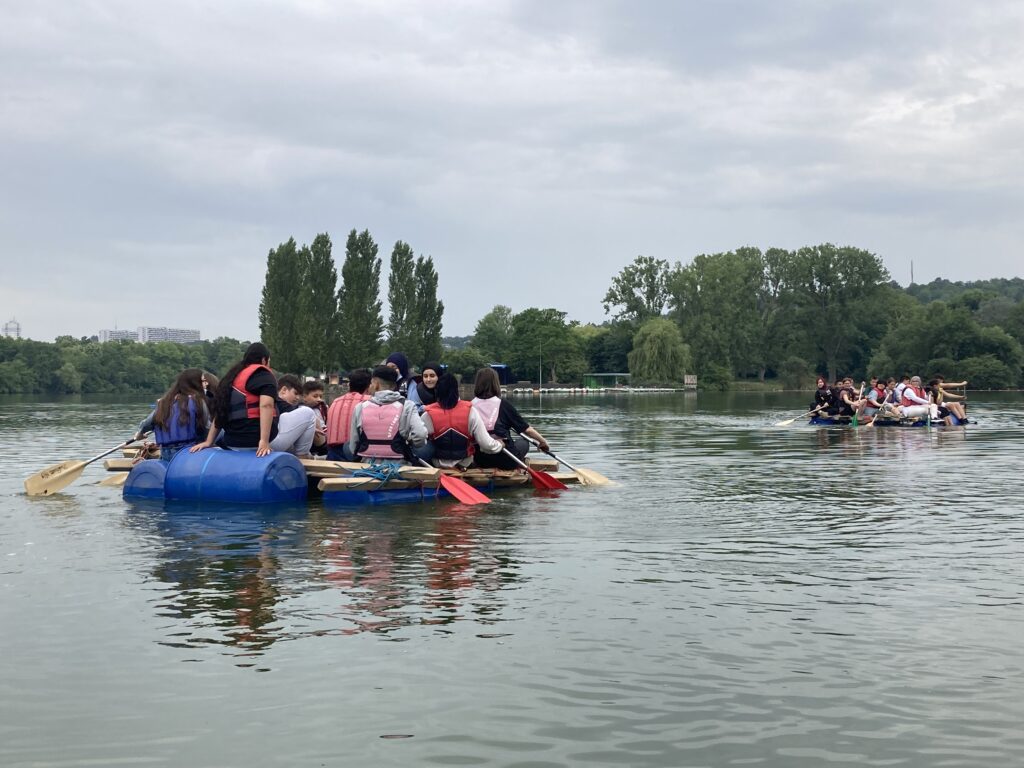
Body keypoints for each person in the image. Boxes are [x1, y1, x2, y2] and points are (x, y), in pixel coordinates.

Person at [192, 342, 278, 457]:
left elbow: (220, 411)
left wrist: (209, 441)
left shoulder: (231, 378)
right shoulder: (263, 374)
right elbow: (266, 405)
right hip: (253, 439)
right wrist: (264, 441)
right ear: (264, 360)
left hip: (232, 441)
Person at [471, 367, 551, 471]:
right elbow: (527, 430)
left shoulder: (469, 406)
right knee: (523, 441)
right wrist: (543, 441)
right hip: (507, 460)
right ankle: (519, 462)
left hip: (480, 460)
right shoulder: (503, 404)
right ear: (496, 384)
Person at [346, 365, 429, 463]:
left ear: (376, 384)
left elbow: (353, 445)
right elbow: (420, 435)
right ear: (394, 386)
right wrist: (409, 444)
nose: (370, 386)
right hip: (399, 466)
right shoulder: (407, 406)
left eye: (371, 383)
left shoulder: (360, 407)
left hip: (367, 466)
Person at [421, 372, 503, 468]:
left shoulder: (427, 415)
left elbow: (417, 440)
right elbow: (486, 444)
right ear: (456, 391)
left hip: (436, 465)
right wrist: (500, 444)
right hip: (465, 464)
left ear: (437, 391)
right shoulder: (471, 411)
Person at [135, 368, 211, 462]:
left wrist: (139, 434)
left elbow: (146, 423)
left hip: (166, 453)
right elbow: (208, 428)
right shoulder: (198, 401)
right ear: (195, 383)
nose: (206, 384)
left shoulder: (164, 402)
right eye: (203, 381)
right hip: (189, 452)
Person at [325, 369, 371, 461]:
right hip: (356, 455)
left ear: (349, 384)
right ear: (369, 386)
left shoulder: (335, 401)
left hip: (333, 455)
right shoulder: (370, 402)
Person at [270, 374, 319, 458]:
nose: (297, 398)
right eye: (295, 393)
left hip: (262, 443)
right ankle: (304, 457)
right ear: (284, 390)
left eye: (299, 395)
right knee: (308, 412)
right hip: (269, 443)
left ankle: (309, 456)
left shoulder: (270, 399)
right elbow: (295, 411)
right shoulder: (278, 401)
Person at [301, 379, 329, 455]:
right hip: (313, 443)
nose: (319, 399)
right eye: (315, 396)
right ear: (304, 397)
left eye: (320, 396)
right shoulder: (301, 409)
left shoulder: (323, 408)